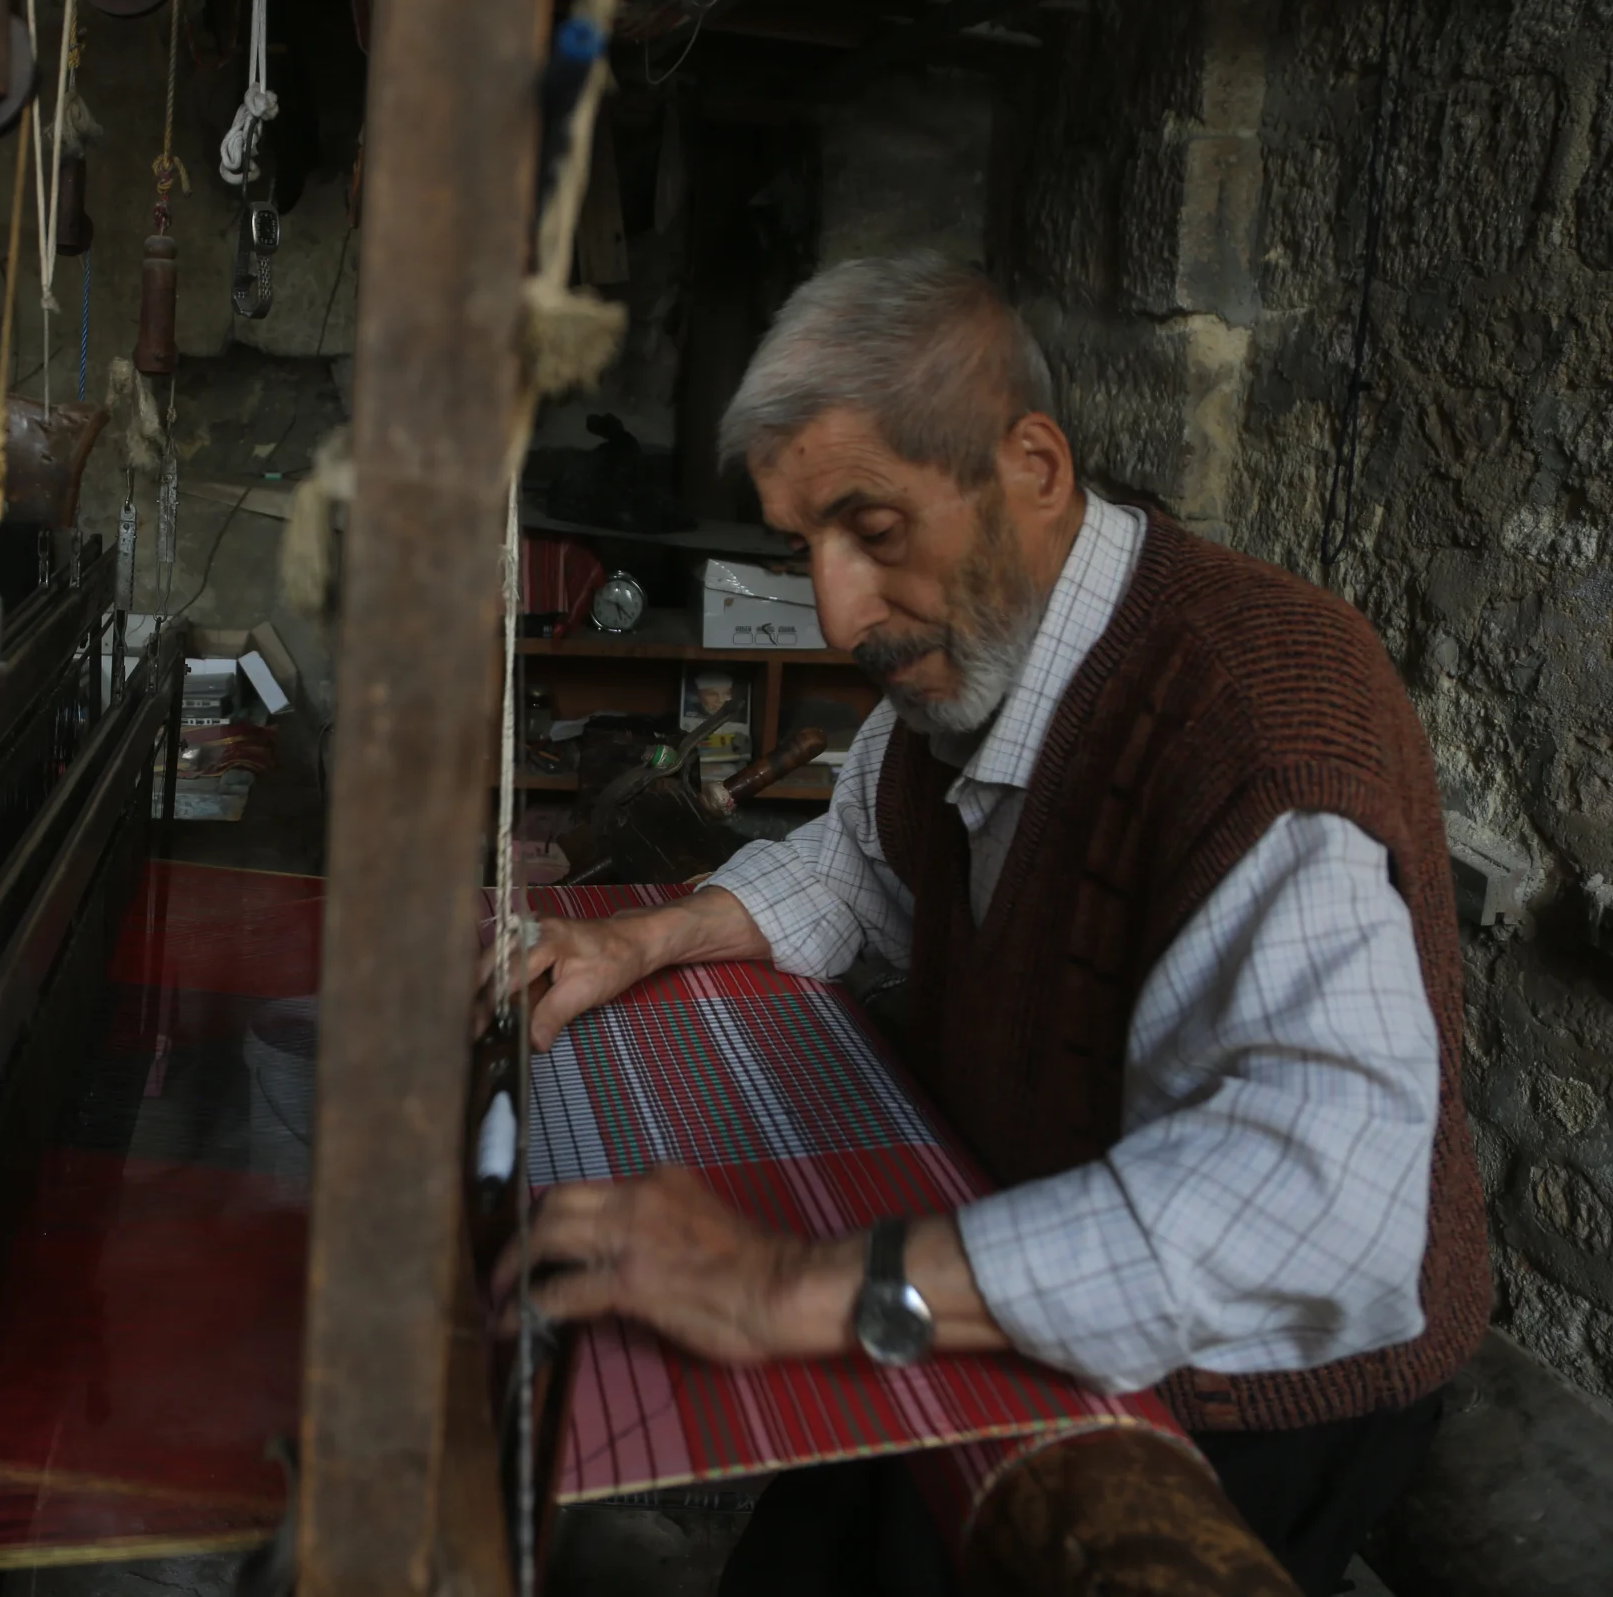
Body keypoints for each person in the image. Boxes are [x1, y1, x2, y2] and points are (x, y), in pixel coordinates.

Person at [498, 254, 1487, 1597]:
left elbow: (1309, 1210)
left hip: (1256, 1388)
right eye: (806, 550)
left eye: (876, 530)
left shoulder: (1261, 720)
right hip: (1023, 1250)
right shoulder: (965, 683)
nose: (840, 610)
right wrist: (654, 935)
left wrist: (789, 1285)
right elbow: (858, 861)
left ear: (1034, 467)